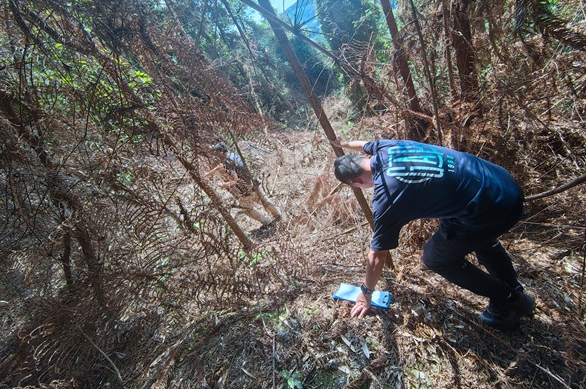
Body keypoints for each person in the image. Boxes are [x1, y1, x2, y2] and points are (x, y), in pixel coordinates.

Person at [331, 137, 536, 330]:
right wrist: (345, 143)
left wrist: (365, 293)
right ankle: (513, 287)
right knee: (479, 236)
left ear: (357, 183)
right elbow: (366, 144)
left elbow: (378, 254)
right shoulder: (387, 147)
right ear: (363, 158)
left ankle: (508, 300)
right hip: (503, 184)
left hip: (492, 210)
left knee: (435, 258)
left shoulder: (386, 197)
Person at [204, 142, 281, 228]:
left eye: (216, 152)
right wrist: (208, 173)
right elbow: (221, 167)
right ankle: (277, 215)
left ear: (221, 152)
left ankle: (267, 222)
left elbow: (235, 179)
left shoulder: (227, 161)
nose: (215, 154)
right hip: (252, 183)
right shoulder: (234, 156)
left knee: (247, 210)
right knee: (263, 200)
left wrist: (225, 185)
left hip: (243, 189)